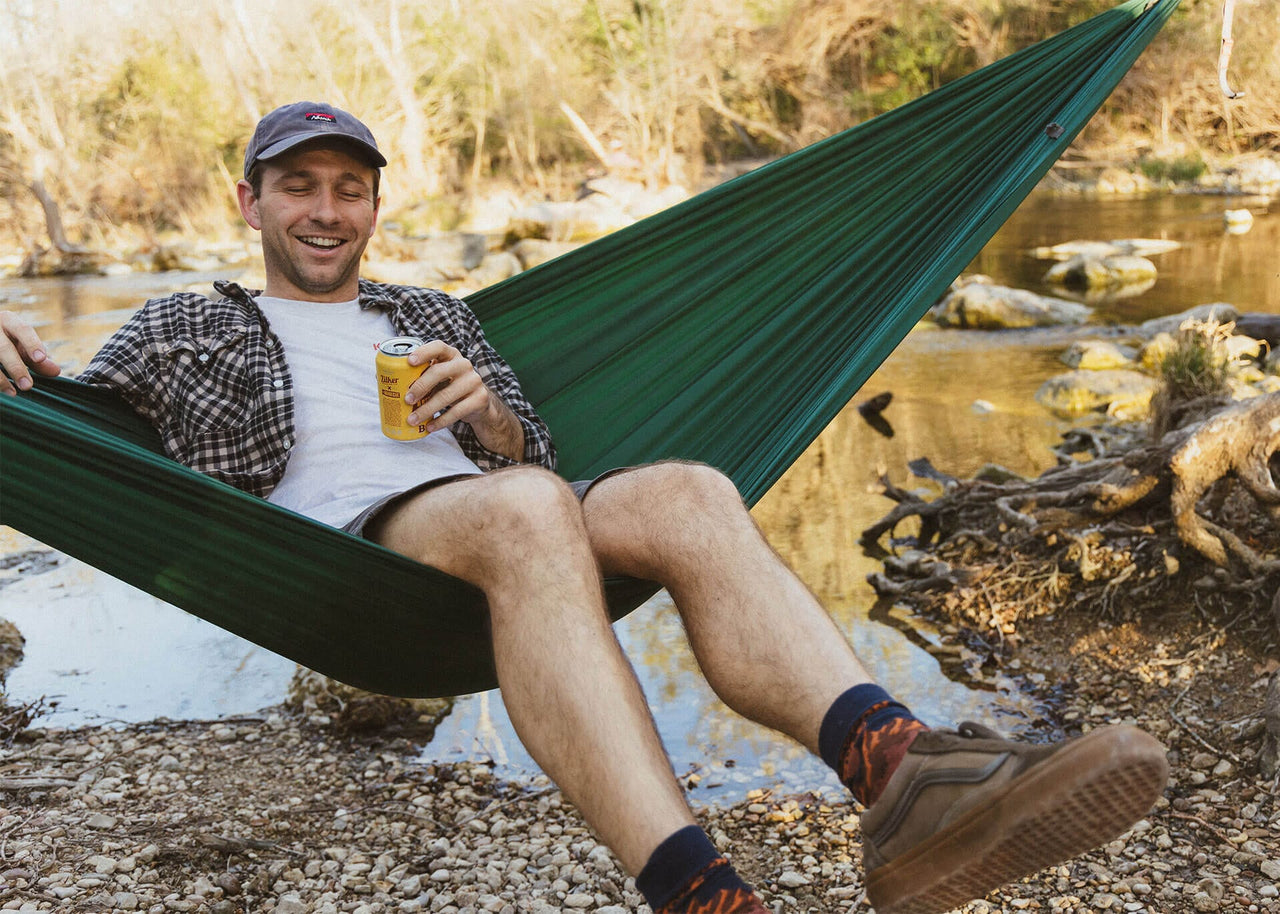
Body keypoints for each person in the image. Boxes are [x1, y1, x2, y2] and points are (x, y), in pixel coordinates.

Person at [0, 101, 1170, 914]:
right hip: (348, 553)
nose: (324, 209)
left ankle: (898, 776)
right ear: (247, 202)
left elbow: (535, 449)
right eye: (297, 186)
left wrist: (492, 421)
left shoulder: (432, 312)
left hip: (504, 506)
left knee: (686, 490)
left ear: (370, 207)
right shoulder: (180, 322)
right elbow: (77, 419)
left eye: (347, 189)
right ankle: (698, 890)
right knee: (522, 512)